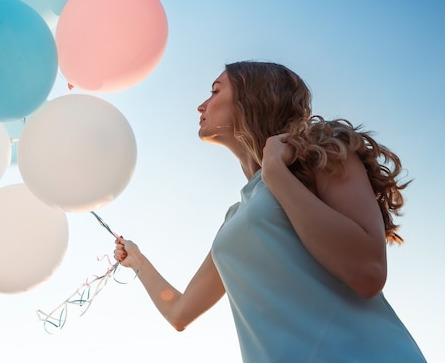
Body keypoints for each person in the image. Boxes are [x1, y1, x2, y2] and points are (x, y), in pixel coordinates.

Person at [113, 61, 427, 362]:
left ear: (252, 97)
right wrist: (137, 260)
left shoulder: (320, 152)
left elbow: (368, 272)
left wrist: (275, 172)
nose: (202, 105)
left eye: (215, 90)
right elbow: (179, 312)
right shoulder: (236, 219)